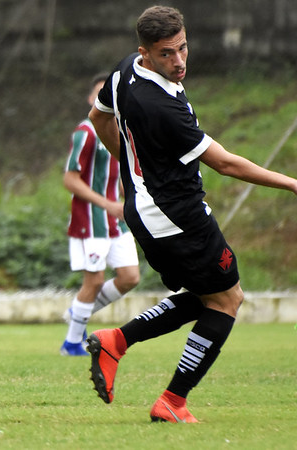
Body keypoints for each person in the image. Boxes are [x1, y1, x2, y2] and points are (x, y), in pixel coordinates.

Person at [86, 5, 297, 423]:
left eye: (183, 48)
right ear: (145, 52)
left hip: (146, 212)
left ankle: (116, 340)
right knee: (227, 299)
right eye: (166, 53)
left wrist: (130, 164)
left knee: (207, 296)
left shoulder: (126, 70)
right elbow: (226, 164)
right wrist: (291, 183)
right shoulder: (160, 105)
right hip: (178, 217)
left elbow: (98, 116)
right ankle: (172, 401)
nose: (179, 61)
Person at [60, 73, 140, 357]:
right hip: (91, 219)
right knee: (92, 281)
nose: (102, 99)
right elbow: (70, 180)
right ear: (90, 99)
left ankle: (78, 312)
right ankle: (71, 343)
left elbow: (117, 175)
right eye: (97, 94)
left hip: (115, 218)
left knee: (130, 277)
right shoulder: (85, 132)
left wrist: (127, 199)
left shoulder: (120, 131)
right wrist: (107, 204)